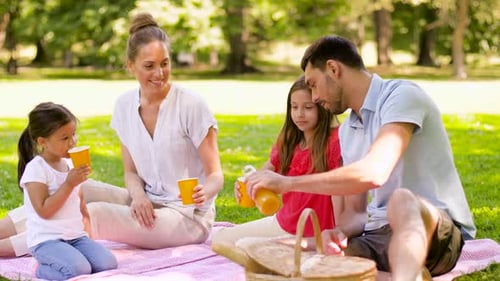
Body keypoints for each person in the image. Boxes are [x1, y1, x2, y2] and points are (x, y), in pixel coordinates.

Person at [245, 35, 476, 281]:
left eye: (313, 84)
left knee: (401, 199)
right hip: (378, 237)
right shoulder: (347, 131)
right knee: (314, 265)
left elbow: (375, 172)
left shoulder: (401, 96)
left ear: (333, 69)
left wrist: (286, 183)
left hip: (436, 234)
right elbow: (355, 214)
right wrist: (336, 233)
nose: (313, 97)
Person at [0, 12, 223, 257]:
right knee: (78, 189)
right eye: (149, 66)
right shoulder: (124, 106)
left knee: (89, 212)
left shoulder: (191, 105)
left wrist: (205, 190)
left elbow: (215, 175)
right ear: (130, 66)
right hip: (146, 203)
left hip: (187, 216)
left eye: (165, 63)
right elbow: (130, 172)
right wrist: (138, 197)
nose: (159, 73)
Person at [211, 75, 366, 272]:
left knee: (246, 246)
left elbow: (340, 192)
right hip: (283, 223)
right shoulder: (289, 139)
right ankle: (285, 262)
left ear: (322, 107)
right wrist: (249, 184)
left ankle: (298, 259)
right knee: (221, 239)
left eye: (308, 107)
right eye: (294, 107)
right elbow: (265, 173)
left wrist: (334, 234)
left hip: (313, 233)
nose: (300, 114)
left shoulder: (334, 142)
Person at [18, 102, 117, 280]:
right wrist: (68, 184)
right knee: (79, 270)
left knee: (107, 263)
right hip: (46, 240)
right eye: (64, 138)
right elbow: (44, 211)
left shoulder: (70, 164)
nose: (72, 142)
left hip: (75, 237)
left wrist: (87, 234)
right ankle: (40, 270)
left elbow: (79, 203)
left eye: (73, 135)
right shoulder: (36, 169)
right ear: (43, 142)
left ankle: (67, 258)